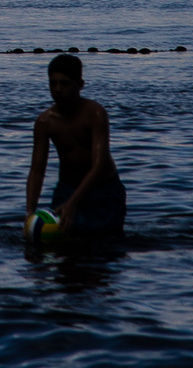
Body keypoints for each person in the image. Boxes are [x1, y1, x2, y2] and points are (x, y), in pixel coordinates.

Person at [26, 53, 127, 237]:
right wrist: (29, 211)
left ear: (79, 85)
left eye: (64, 83)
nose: (58, 89)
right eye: (53, 83)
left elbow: (99, 164)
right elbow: (37, 171)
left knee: (105, 246)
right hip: (67, 188)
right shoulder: (45, 122)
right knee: (61, 245)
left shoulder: (95, 114)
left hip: (104, 190)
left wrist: (73, 203)